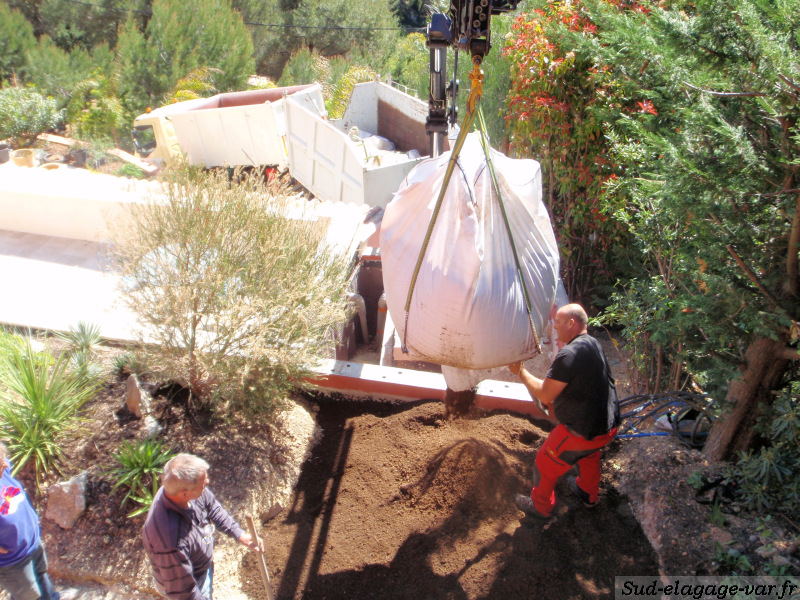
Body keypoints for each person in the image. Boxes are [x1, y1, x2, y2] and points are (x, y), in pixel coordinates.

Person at [508, 303, 619, 520]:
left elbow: (545, 394)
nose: (555, 327)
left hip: (581, 433)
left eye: (558, 322)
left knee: (544, 461)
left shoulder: (568, 355)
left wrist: (520, 371)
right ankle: (588, 494)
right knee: (589, 455)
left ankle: (539, 506)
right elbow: (582, 386)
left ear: (571, 323)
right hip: (607, 428)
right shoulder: (593, 345)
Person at [142, 453, 262, 600]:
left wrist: (239, 534)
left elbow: (212, 507)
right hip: (188, 583)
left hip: (199, 568)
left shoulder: (182, 491)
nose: (208, 482)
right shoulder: (170, 541)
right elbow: (185, 594)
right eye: (203, 484)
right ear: (185, 493)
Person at [0, 442, 76, 600]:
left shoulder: (3, 472)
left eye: (4, 459)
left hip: (32, 543)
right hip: (13, 560)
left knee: (42, 576)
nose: (6, 464)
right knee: (28, 595)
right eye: (1, 463)